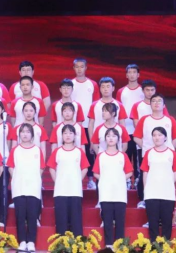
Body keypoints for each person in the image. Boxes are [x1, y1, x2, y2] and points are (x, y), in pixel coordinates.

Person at [133, 94, 176, 209]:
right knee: (146, 177)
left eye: (159, 101)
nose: (156, 103)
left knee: (165, 177)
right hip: (148, 155)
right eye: (154, 101)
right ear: (150, 105)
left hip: (166, 157)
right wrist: (146, 148)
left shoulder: (169, 120)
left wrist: (168, 149)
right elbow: (136, 137)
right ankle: (144, 200)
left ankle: (166, 200)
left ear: (164, 105)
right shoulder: (144, 120)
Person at [8, 123, 46, 252]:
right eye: (22, 132)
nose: (25, 134)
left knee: (32, 215)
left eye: (28, 132)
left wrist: (34, 179)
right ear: (19, 135)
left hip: (33, 187)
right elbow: (11, 167)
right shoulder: (15, 150)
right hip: (19, 186)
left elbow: (41, 167)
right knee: (20, 216)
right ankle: (22, 241)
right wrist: (17, 178)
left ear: (32, 135)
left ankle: (31, 242)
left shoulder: (37, 150)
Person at [93, 128, 134, 247]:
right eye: (108, 136)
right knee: (107, 221)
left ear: (118, 139)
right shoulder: (101, 156)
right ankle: (109, 245)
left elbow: (129, 172)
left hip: (119, 193)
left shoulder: (123, 155)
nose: (111, 138)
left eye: (114, 136)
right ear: (105, 139)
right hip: (106, 193)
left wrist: (119, 179)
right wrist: (105, 179)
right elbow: (96, 172)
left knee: (120, 221)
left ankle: (119, 245)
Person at [140, 127, 176, 241]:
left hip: (167, 193)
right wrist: (146, 188)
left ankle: (165, 245)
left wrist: (169, 182)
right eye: (154, 135)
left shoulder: (171, 153)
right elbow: (145, 172)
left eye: (159, 135)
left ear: (165, 137)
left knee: (167, 221)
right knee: (152, 221)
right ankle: (154, 245)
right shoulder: (149, 153)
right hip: (151, 193)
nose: (157, 137)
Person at [47, 124, 89, 237]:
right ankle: (61, 243)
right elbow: (51, 168)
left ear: (75, 136)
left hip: (75, 191)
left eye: (70, 133)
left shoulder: (79, 151)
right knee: (61, 220)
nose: (68, 135)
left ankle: (77, 243)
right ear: (62, 136)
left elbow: (85, 168)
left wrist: (78, 180)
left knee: (76, 219)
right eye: (65, 133)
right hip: (60, 191)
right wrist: (57, 181)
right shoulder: (57, 151)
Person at [71, 58, 100, 190]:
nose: (79, 69)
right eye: (77, 67)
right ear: (73, 68)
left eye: (81, 66)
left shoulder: (92, 84)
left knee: (89, 152)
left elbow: (96, 104)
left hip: (89, 124)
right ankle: (73, 178)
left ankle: (90, 179)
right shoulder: (70, 84)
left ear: (86, 68)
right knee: (74, 152)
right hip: (73, 124)